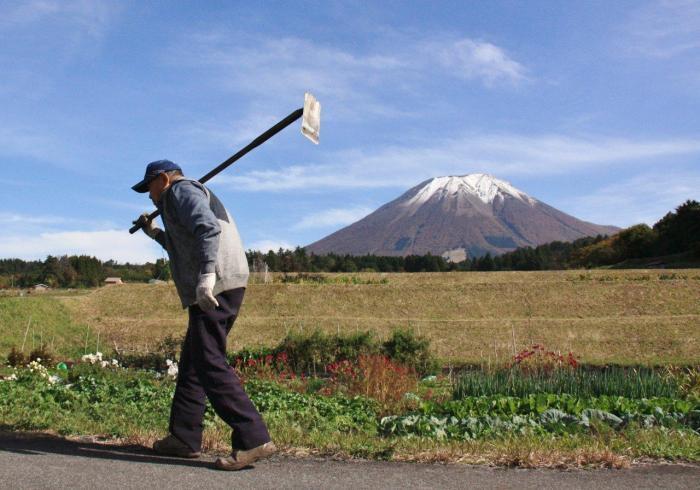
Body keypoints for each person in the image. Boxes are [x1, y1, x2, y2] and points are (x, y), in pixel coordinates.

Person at [131, 159, 276, 471]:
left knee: (208, 360)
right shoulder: (180, 197)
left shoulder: (182, 192)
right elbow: (182, 244)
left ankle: (253, 437)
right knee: (195, 359)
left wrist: (206, 276)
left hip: (216, 285)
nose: (149, 196)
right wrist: (153, 232)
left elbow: (207, 228)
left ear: (163, 180)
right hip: (222, 282)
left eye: (150, 188)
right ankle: (184, 437)